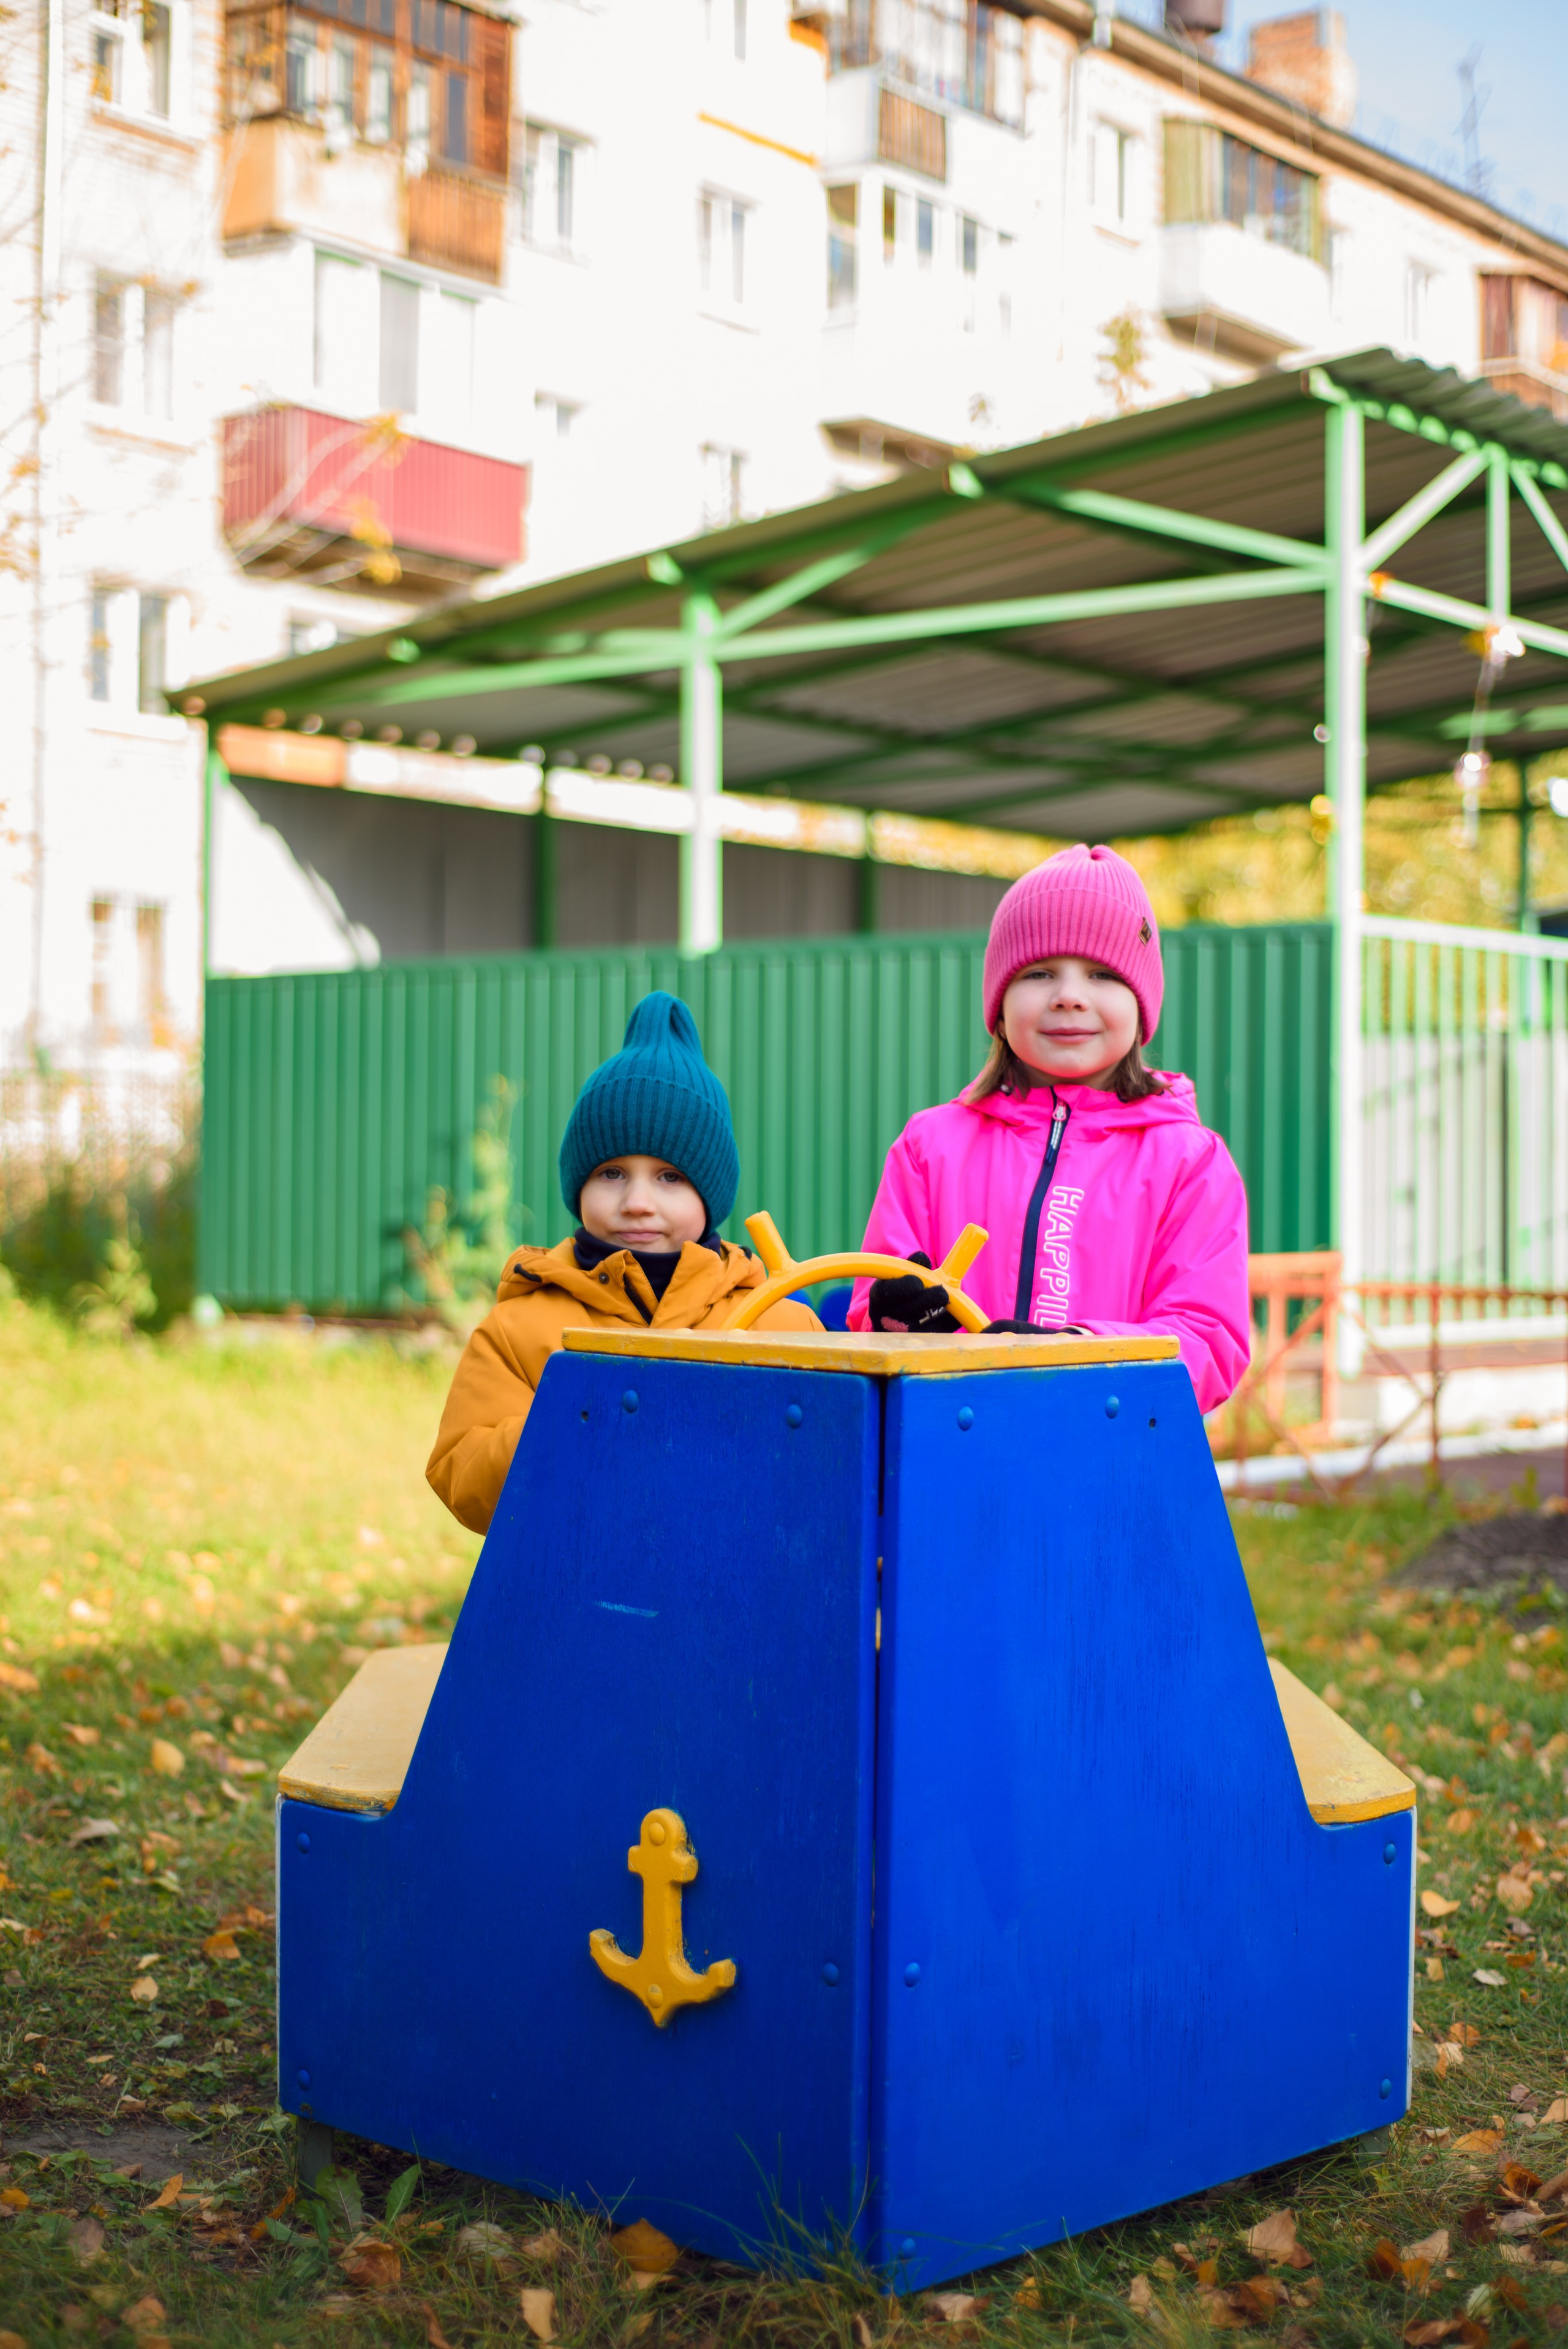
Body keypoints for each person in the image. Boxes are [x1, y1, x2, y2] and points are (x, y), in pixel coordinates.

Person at [850, 843, 1251, 1414]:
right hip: (951, 1457)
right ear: (999, 1001)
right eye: (1039, 972)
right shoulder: (929, 1146)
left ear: (1142, 1004)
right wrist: (894, 1318)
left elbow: (1210, 1338)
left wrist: (1078, 1354)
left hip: (1114, 1466)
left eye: (1102, 974)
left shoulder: (1189, 1161)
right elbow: (871, 1305)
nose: (1068, 995)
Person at [428, 991, 820, 1531]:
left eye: (670, 1177)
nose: (637, 1201)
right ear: (578, 1185)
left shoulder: (778, 1322)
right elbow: (462, 1477)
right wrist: (574, 1418)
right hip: (577, 1599)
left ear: (711, 1197)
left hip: (734, 1602)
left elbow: (834, 1471)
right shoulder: (519, 1326)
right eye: (612, 1173)